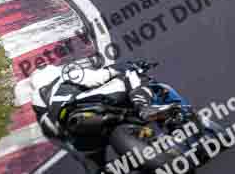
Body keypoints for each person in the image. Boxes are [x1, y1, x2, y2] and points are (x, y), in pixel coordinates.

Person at [30, 62, 175, 172]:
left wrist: (83, 155)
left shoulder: (40, 106)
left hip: (78, 132)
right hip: (87, 105)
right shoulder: (64, 75)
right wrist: (121, 67)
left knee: (93, 166)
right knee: (131, 75)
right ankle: (144, 106)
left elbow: (57, 136)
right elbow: (97, 78)